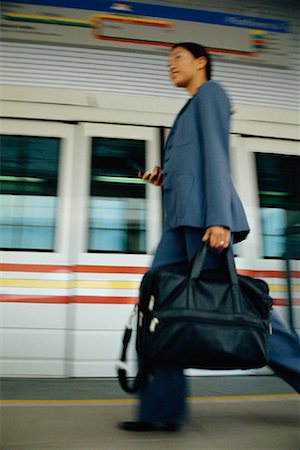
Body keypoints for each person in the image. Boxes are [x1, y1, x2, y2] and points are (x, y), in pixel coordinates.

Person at [119, 42, 300, 432]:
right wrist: (163, 178)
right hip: (180, 223)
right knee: (161, 309)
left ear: (201, 62)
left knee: (245, 310)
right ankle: (160, 411)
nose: (170, 65)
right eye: (168, 61)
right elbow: (193, 171)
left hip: (204, 225)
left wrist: (219, 220)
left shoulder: (210, 95)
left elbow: (217, 156)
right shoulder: (187, 108)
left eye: (178, 58)